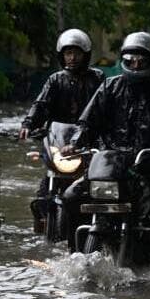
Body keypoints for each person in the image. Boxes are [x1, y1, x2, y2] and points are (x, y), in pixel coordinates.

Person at [63, 31, 150, 261]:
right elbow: (87, 123)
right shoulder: (109, 87)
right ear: (123, 60)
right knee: (70, 197)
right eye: (130, 60)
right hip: (112, 165)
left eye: (142, 61)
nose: (136, 65)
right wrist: (74, 142)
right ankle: (74, 253)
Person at [18, 28, 104, 232]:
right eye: (68, 53)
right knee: (43, 192)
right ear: (61, 55)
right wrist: (28, 124)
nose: (72, 58)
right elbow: (41, 104)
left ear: (86, 55)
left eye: (76, 53)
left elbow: (106, 107)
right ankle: (41, 226)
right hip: (60, 141)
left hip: (89, 141)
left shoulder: (98, 78)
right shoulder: (55, 80)